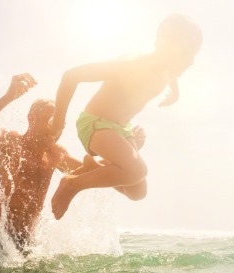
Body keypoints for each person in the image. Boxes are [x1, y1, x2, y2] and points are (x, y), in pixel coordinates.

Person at [49, 13, 203, 220]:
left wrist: (175, 94)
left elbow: (172, 78)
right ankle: (72, 184)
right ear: (162, 43)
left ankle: (91, 169)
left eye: (193, 55)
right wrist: (58, 121)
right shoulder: (132, 65)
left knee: (137, 192)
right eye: (186, 53)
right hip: (95, 123)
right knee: (137, 170)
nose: (190, 61)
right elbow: (71, 76)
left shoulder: (169, 71)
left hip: (122, 129)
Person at [0, 73, 83, 255]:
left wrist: (128, 152)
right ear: (32, 118)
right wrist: (9, 97)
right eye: (51, 121)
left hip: (26, 242)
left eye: (61, 124)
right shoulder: (9, 142)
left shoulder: (56, 154)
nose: (56, 129)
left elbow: (94, 172)